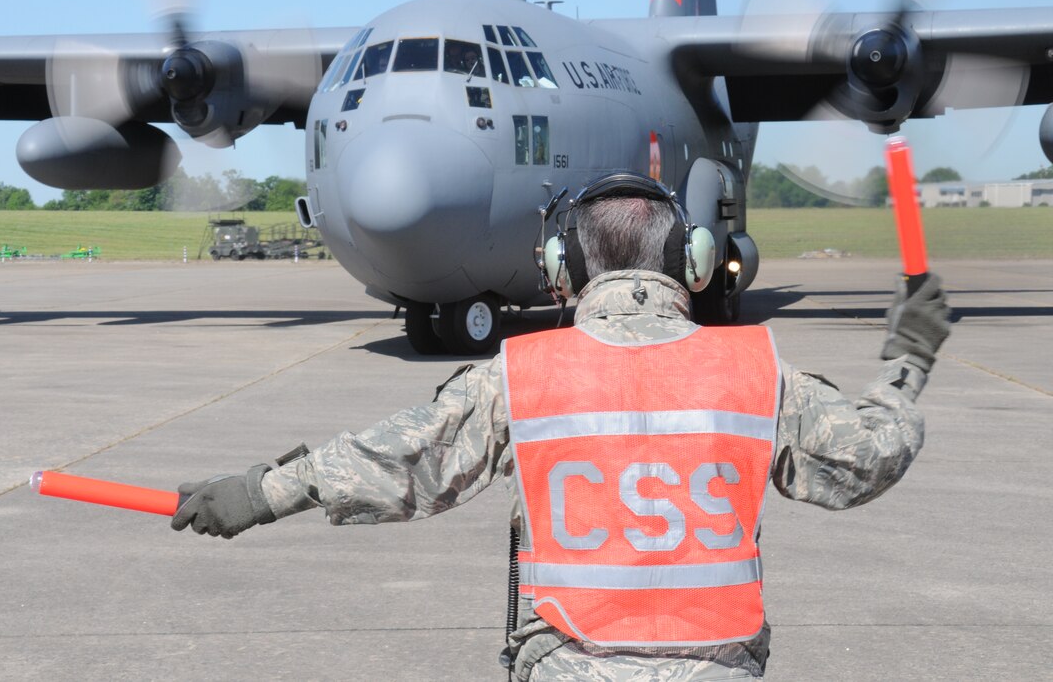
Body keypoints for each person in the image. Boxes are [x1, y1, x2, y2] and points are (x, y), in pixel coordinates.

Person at [171, 172, 951, 681]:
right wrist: (908, 356)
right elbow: (871, 452)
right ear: (696, 261)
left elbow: (398, 461)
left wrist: (258, 492)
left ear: (560, 269)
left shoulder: (519, 376)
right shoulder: (756, 371)